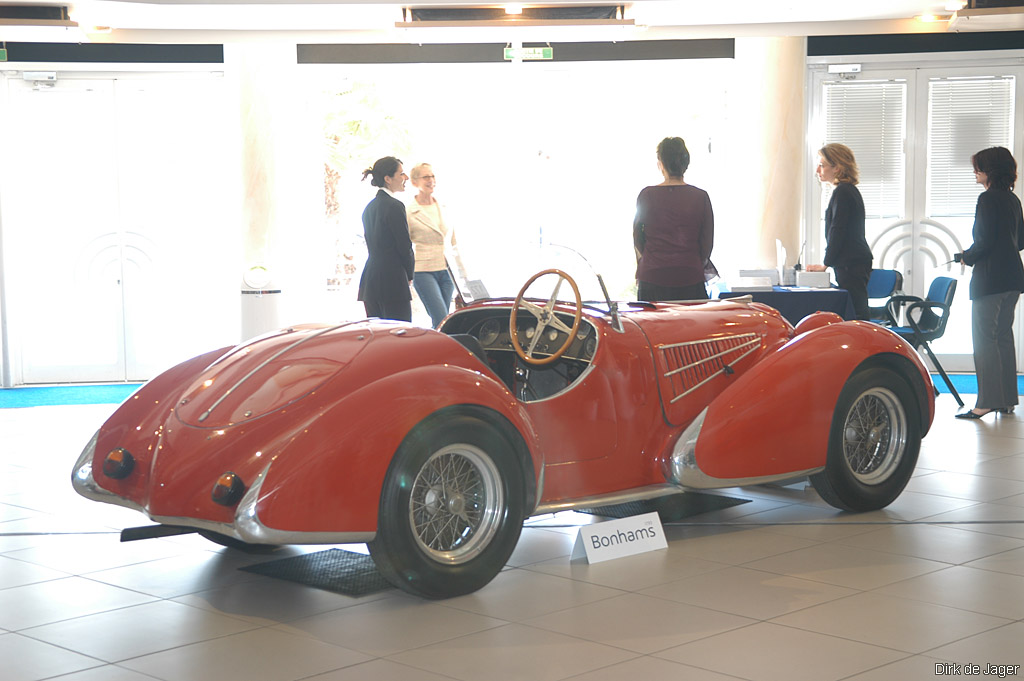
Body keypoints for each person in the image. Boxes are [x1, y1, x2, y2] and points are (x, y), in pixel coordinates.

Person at [954, 147, 1024, 419]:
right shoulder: (1012, 199)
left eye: (978, 167)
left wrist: (966, 257)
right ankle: (1006, 400)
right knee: (1003, 338)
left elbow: (983, 242)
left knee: (984, 340)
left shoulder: (987, 199)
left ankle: (986, 402)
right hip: (1013, 277)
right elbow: (1019, 241)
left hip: (990, 278)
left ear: (990, 171)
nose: (975, 172)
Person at [633, 137, 714, 301]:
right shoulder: (700, 197)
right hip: (690, 275)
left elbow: (638, 238)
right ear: (686, 163)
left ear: (660, 164)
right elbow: (706, 244)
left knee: (653, 326)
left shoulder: (646, 195)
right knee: (691, 326)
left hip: (652, 277)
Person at [806, 143, 873, 321]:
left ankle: (866, 347)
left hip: (851, 262)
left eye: (822, 164)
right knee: (856, 309)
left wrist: (826, 264)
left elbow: (838, 230)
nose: (818, 169)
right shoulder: (845, 191)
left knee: (856, 312)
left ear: (837, 167)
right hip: (852, 261)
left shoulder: (843, 192)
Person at [357, 156, 415, 322]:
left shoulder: (369, 208)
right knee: (400, 337)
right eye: (401, 174)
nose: (405, 178)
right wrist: (409, 274)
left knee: (378, 338)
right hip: (393, 280)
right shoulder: (395, 206)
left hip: (371, 281)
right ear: (388, 179)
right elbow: (404, 246)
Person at [407, 163, 456, 327]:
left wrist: (463, 271)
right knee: (441, 316)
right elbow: (405, 244)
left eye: (432, 176)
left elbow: (453, 241)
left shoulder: (443, 207)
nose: (431, 180)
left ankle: (438, 349)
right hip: (423, 270)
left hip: (446, 269)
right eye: (426, 177)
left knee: (443, 320)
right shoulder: (408, 211)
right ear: (415, 182)